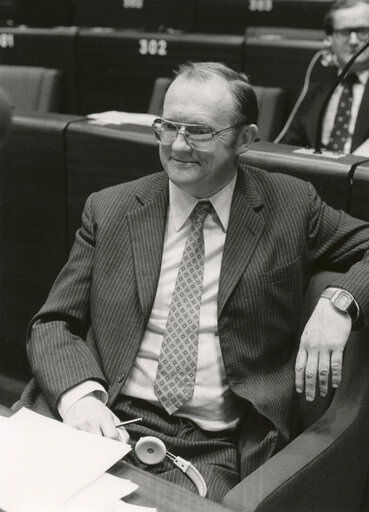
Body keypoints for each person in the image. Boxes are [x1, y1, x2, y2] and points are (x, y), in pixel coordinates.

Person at [16, 61, 369, 503]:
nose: (178, 146)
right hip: (102, 415)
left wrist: (340, 301)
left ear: (244, 138)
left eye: (198, 131)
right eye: (168, 127)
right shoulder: (111, 209)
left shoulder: (291, 206)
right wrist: (79, 399)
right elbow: (52, 322)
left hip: (213, 446)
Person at [282, 0, 369, 154]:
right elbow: (289, 146)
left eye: (363, 31)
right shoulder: (312, 88)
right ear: (330, 39)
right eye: (344, 32)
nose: (354, 41)